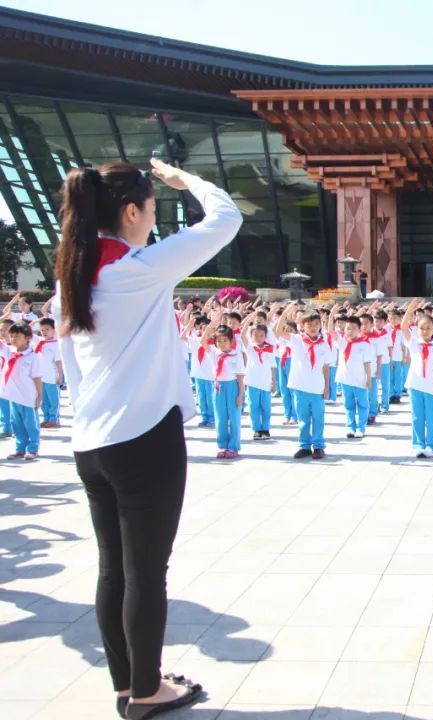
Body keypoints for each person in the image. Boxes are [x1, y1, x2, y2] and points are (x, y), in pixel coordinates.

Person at [54, 158, 242, 718]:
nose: (153, 223)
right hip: (144, 439)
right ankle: (146, 691)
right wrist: (188, 182)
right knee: (146, 574)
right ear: (131, 211)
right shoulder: (138, 269)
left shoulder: (75, 276)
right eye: (152, 211)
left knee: (113, 568)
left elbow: (71, 366)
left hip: (93, 442)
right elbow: (225, 217)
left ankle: (126, 683)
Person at [277, 308, 333, 459]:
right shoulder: (297, 340)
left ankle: (319, 446)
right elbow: (278, 331)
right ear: (302, 326)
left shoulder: (323, 344)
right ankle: (304, 446)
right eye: (309, 324)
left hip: (317, 387)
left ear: (320, 325)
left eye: (316, 324)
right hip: (300, 386)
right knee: (303, 418)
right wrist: (285, 313)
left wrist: (327, 386)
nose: (313, 327)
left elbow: (326, 367)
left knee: (318, 418)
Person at [400, 298, 433, 457]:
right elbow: (403, 328)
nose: (425, 331)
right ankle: (418, 444)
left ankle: (431, 446)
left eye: (428, 328)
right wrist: (410, 310)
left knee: (431, 418)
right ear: (417, 330)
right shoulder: (414, 344)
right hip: (415, 385)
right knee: (417, 416)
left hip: (432, 387)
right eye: (422, 328)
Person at [1, 322, 43, 460]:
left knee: (31, 424)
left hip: (28, 396)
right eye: (11, 336)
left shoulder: (33, 357)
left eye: (17, 336)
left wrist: (39, 396)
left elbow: (37, 378)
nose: (13, 339)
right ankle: (20, 449)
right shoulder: (9, 352)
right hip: (14, 396)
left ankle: (33, 448)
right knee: (16, 424)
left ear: (28, 338)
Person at [202, 323, 244, 459]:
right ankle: (223, 445)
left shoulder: (236, 355)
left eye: (225, 340)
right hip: (218, 387)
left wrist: (240, 395)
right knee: (221, 418)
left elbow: (240, 377)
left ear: (231, 341)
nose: (222, 343)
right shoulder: (214, 353)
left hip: (232, 387)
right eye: (219, 341)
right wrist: (210, 327)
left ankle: (233, 447)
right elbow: (203, 342)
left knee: (234, 418)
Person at [338, 315, 374, 439]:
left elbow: (367, 363)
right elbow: (331, 332)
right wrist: (332, 314)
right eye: (348, 328)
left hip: (360, 380)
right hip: (345, 380)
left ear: (359, 329)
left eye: (354, 328)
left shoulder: (364, 344)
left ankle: (361, 428)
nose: (350, 331)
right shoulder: (342, 342)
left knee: (363, 404)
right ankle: (350, 427)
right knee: (349, 405)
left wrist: (369, 379)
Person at [240, 320, 276, 440]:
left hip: (266, 382)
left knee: (266, 406)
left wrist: (274, 383)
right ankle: (256, 429)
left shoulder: (269, 349)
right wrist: (250, 318)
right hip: (252, 382)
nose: (259, 338)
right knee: (253, 406)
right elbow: (242, 335)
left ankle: (265, 429)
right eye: (255, 335)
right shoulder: (250, 348)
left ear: (266, 336)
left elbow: (272, 367)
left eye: (261, 335)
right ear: (251, 336)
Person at [34, 317, 64, 428]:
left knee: (53, 399)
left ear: (54, 330)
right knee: (43, 400)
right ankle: (46, 418)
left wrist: (60, 376)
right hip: (41, 377)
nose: (44, 332)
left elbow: (58, 361)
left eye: (47, 329)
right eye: (42, 330)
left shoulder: (56, 344)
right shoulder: (40, 343)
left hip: (52, 377)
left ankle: (54, 419)